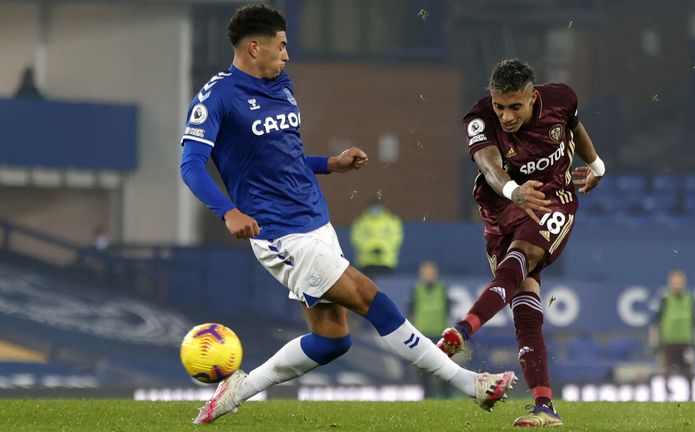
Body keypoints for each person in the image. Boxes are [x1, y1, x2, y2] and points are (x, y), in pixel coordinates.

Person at [178, 4, 515, 424]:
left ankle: (239, 390)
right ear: (253, 47)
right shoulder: (218, 96)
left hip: (316, 224)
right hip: (282, 235)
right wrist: (227, 212)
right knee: (374, 300)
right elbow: (190, 165)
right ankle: (470, 384)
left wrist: (330, 164)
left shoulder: (280, 84)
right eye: (281, 46)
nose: (287, 55)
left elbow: (284, 157)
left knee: (332, 339)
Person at [436, 58, 605, 427]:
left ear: (532, 96)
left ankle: (462, 330)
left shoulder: (561, 97)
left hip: (552, 201)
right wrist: (514, 191)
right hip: (502, 208)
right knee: (525, 309)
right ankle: (545, 407)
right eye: (500, 106)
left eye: (515, 107)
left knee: (522, 256)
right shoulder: (479, 119)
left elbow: (575, 126)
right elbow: (488, 165)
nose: (506, 116)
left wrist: (597, 166)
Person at [649, 269, 695, 400]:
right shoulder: (664, 299)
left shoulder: (689, 298)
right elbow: (655, 321)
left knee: (689, 370)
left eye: (679, 282)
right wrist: (655, 341)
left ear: (684, 282)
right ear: (670, 283)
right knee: (667, 370)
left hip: (685, 341)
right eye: (674, 282)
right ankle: (666, 396)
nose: (677, 285)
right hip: (669, 341)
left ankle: (691, 396)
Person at [409, 260, 452, 399]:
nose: (428, 276)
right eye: (425, 273)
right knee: (424, 371)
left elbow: (448, 311)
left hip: (439, 335)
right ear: (421, 274)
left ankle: (446, 398)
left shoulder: (442, 289)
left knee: (444, 368)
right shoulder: (416, 290)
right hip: (422, 336)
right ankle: (427, 397)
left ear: (435, 274)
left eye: (431, 273)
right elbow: (411, 311)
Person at [350, 200, 403, 276]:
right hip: (366, 262)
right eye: (373, 207)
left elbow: (396, 239)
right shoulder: (361, 222)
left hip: (386, 262)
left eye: (378, 207)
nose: (375, 209)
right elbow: (356, 238)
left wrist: (382, 248)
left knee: (386, 286)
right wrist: (370, 249)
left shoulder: (392, 221)